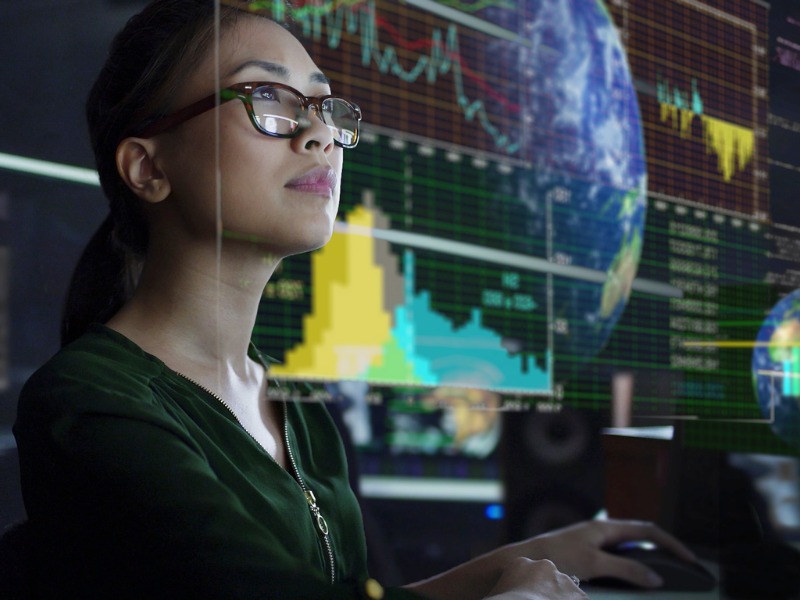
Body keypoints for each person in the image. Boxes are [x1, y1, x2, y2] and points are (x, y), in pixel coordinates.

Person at [12, 0, 696, 598]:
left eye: (325, 107)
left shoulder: (293, 405)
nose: (320, 137)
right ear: (148, 168)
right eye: (270, 102)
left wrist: (511, 566)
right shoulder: (89, 404)